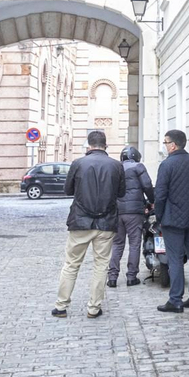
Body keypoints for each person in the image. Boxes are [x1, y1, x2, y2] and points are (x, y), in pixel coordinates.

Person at [51, 130, 125, 320]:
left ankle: (61, 305)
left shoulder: (78, 163)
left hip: (80, 222)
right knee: (101, 266)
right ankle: (93, 307)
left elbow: (67, 190)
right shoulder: (116, 165)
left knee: (71, 264)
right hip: (106, 222)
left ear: (89, 145)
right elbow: (121, 193)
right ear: (105, 145)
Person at [154, 129, 189, 314]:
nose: (165, 145)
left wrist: (159, 217)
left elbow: (160, 195)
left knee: (175, 259)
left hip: (173, 219)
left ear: (173, 145)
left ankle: (175, 300)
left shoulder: (166, 165)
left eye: (165, 142)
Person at [108, 145, 154, 288]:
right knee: (134, 244)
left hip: (117, 212)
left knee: (117, 244)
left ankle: (112, 277)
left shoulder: (115, 168)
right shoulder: (138, 167)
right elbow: (147, 185)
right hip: (134, 212)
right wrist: (152, 201)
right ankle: (131, 277)